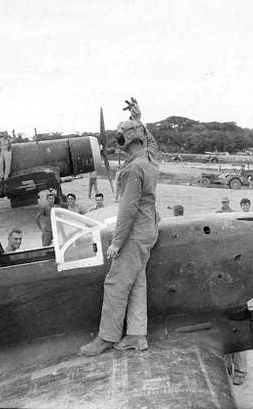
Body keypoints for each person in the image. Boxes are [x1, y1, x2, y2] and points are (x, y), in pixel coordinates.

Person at [81, 118, 159, 356]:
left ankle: (107, 337)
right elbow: (152, 145)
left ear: (126, 139)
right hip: (149, 229)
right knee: (137, 282)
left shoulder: (134, 168)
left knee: (115, 284)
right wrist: (140, 119)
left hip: (134, 234)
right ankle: (136, 335)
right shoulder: (149, 159)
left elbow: (128, 209)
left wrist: (116, 243)